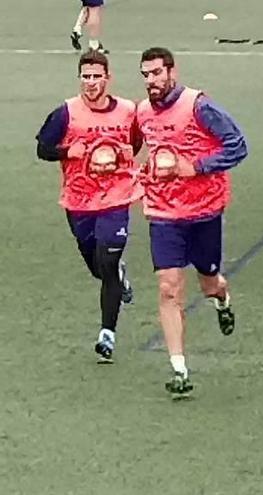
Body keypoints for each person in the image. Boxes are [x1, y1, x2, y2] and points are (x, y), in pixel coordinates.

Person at [135, 47, 248, 398]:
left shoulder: (200, 106)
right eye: (146, 75)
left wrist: (195, 167)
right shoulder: (141, 113)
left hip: (203, 212)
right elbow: (137, 149)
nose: (151, 81)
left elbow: (238, 146)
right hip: (163, 213)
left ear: (172, 71)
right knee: (169, 287)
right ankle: (179, 368)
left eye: (156, 73)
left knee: (208, 282)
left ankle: (222, 299)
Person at [35, 50, 140, 363]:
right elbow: (43, 148)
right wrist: (69, 150)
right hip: (79, 200)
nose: (91, 83)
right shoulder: (66, 113)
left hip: (117, 196)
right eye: (86, 76)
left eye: (97, 76)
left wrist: (118, 160)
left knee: (107, 261)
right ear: (79, 78)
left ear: (108, 78)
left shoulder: (127, 110)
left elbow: (135, 142)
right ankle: (117, 277)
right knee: (96, 264)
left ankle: (107, 334)